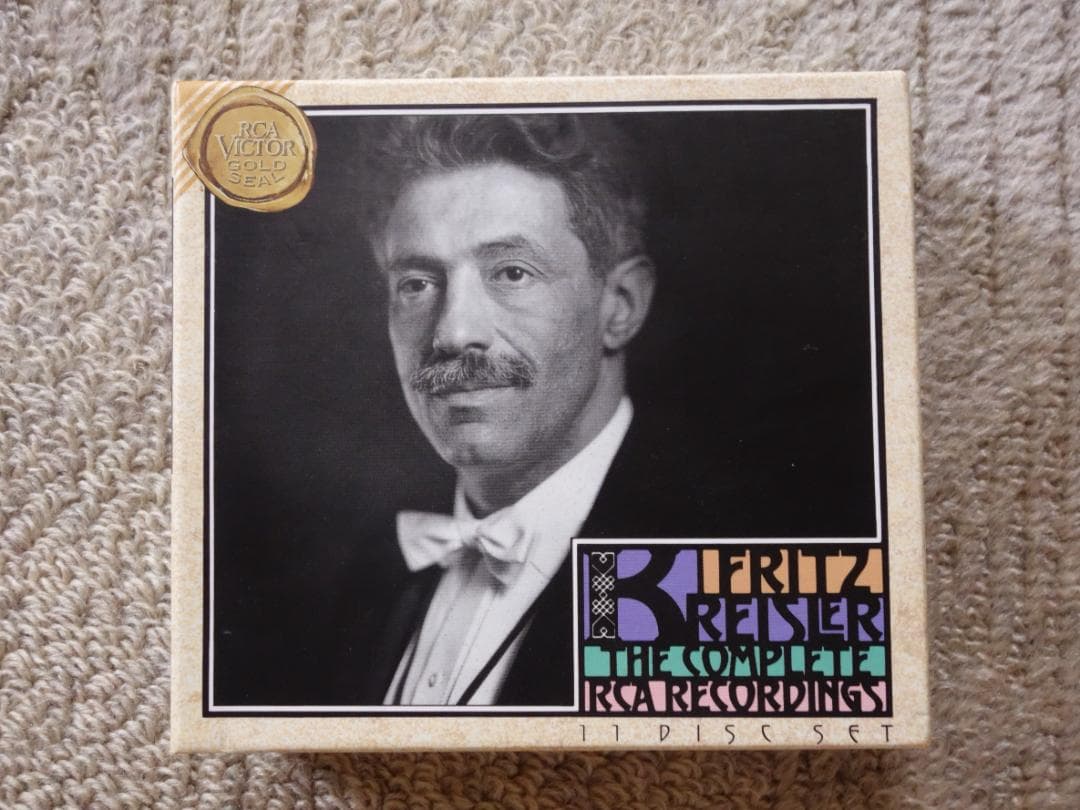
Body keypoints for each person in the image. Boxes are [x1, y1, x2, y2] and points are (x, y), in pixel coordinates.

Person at [356, 114, 665, 706]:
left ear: (620, 305)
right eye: (417, 283)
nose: (454, 333)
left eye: (511, 273)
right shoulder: (356, 578)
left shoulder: (724, 560)